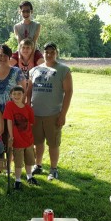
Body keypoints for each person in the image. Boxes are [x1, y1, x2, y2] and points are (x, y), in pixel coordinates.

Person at [27, 42, 73, 181]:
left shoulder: (63, 70)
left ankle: (53, 169)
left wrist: (63, 115)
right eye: (46, 52)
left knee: (53, 144)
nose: (49, 54)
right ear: (43, 53)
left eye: (52, 52)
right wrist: (28, 110)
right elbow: (29, 91)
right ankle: (38, 165)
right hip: (36, 114)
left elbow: (69, 92)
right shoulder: (34, 70)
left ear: (56, 53)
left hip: (53, 114)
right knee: (37, 142)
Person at [3, 85, 38, 189]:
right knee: (18, 162)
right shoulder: (9, 105)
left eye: (19, 94)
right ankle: (17, 180)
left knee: (29, 160)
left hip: (28, 140)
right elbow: (9, 121)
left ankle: (29, 176)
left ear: (23, 95)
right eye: (14, 94)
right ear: (10, 95)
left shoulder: (28, 108)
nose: (17, 96)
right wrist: (11, 136)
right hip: (17, 141)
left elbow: (31, 123)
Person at [0, 44, 25, 112]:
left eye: (5, 55)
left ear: (9, 57)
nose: (3, 58)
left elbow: (23, 92)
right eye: (0, 55)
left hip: (13, 112)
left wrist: (20, 109)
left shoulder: (17, 72)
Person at [13, 0, 43, 68]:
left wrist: (31, 59)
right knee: (9, 63)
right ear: (20, 12)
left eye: (28, 11)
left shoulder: (37, 25)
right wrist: (20, 58)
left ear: (31, 11)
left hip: (34, 50)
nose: (25, 13)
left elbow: (34, 42)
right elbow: (19, 43)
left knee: (43, 64)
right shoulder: (16, 27)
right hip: (21, 50)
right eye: (23, 11)